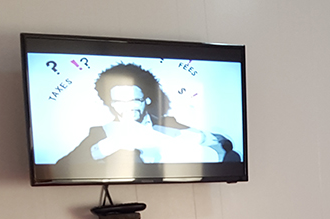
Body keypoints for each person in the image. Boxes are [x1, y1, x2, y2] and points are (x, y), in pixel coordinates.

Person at [55, 63, 239, 173]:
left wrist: (199, 139)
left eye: (134, 100)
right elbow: (61, 168)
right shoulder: (100, 133)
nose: (127, 107)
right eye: (118, 102)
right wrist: (108, 146)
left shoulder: (169, 123)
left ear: (147, 100)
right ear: (110, 103)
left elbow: (226, 147)